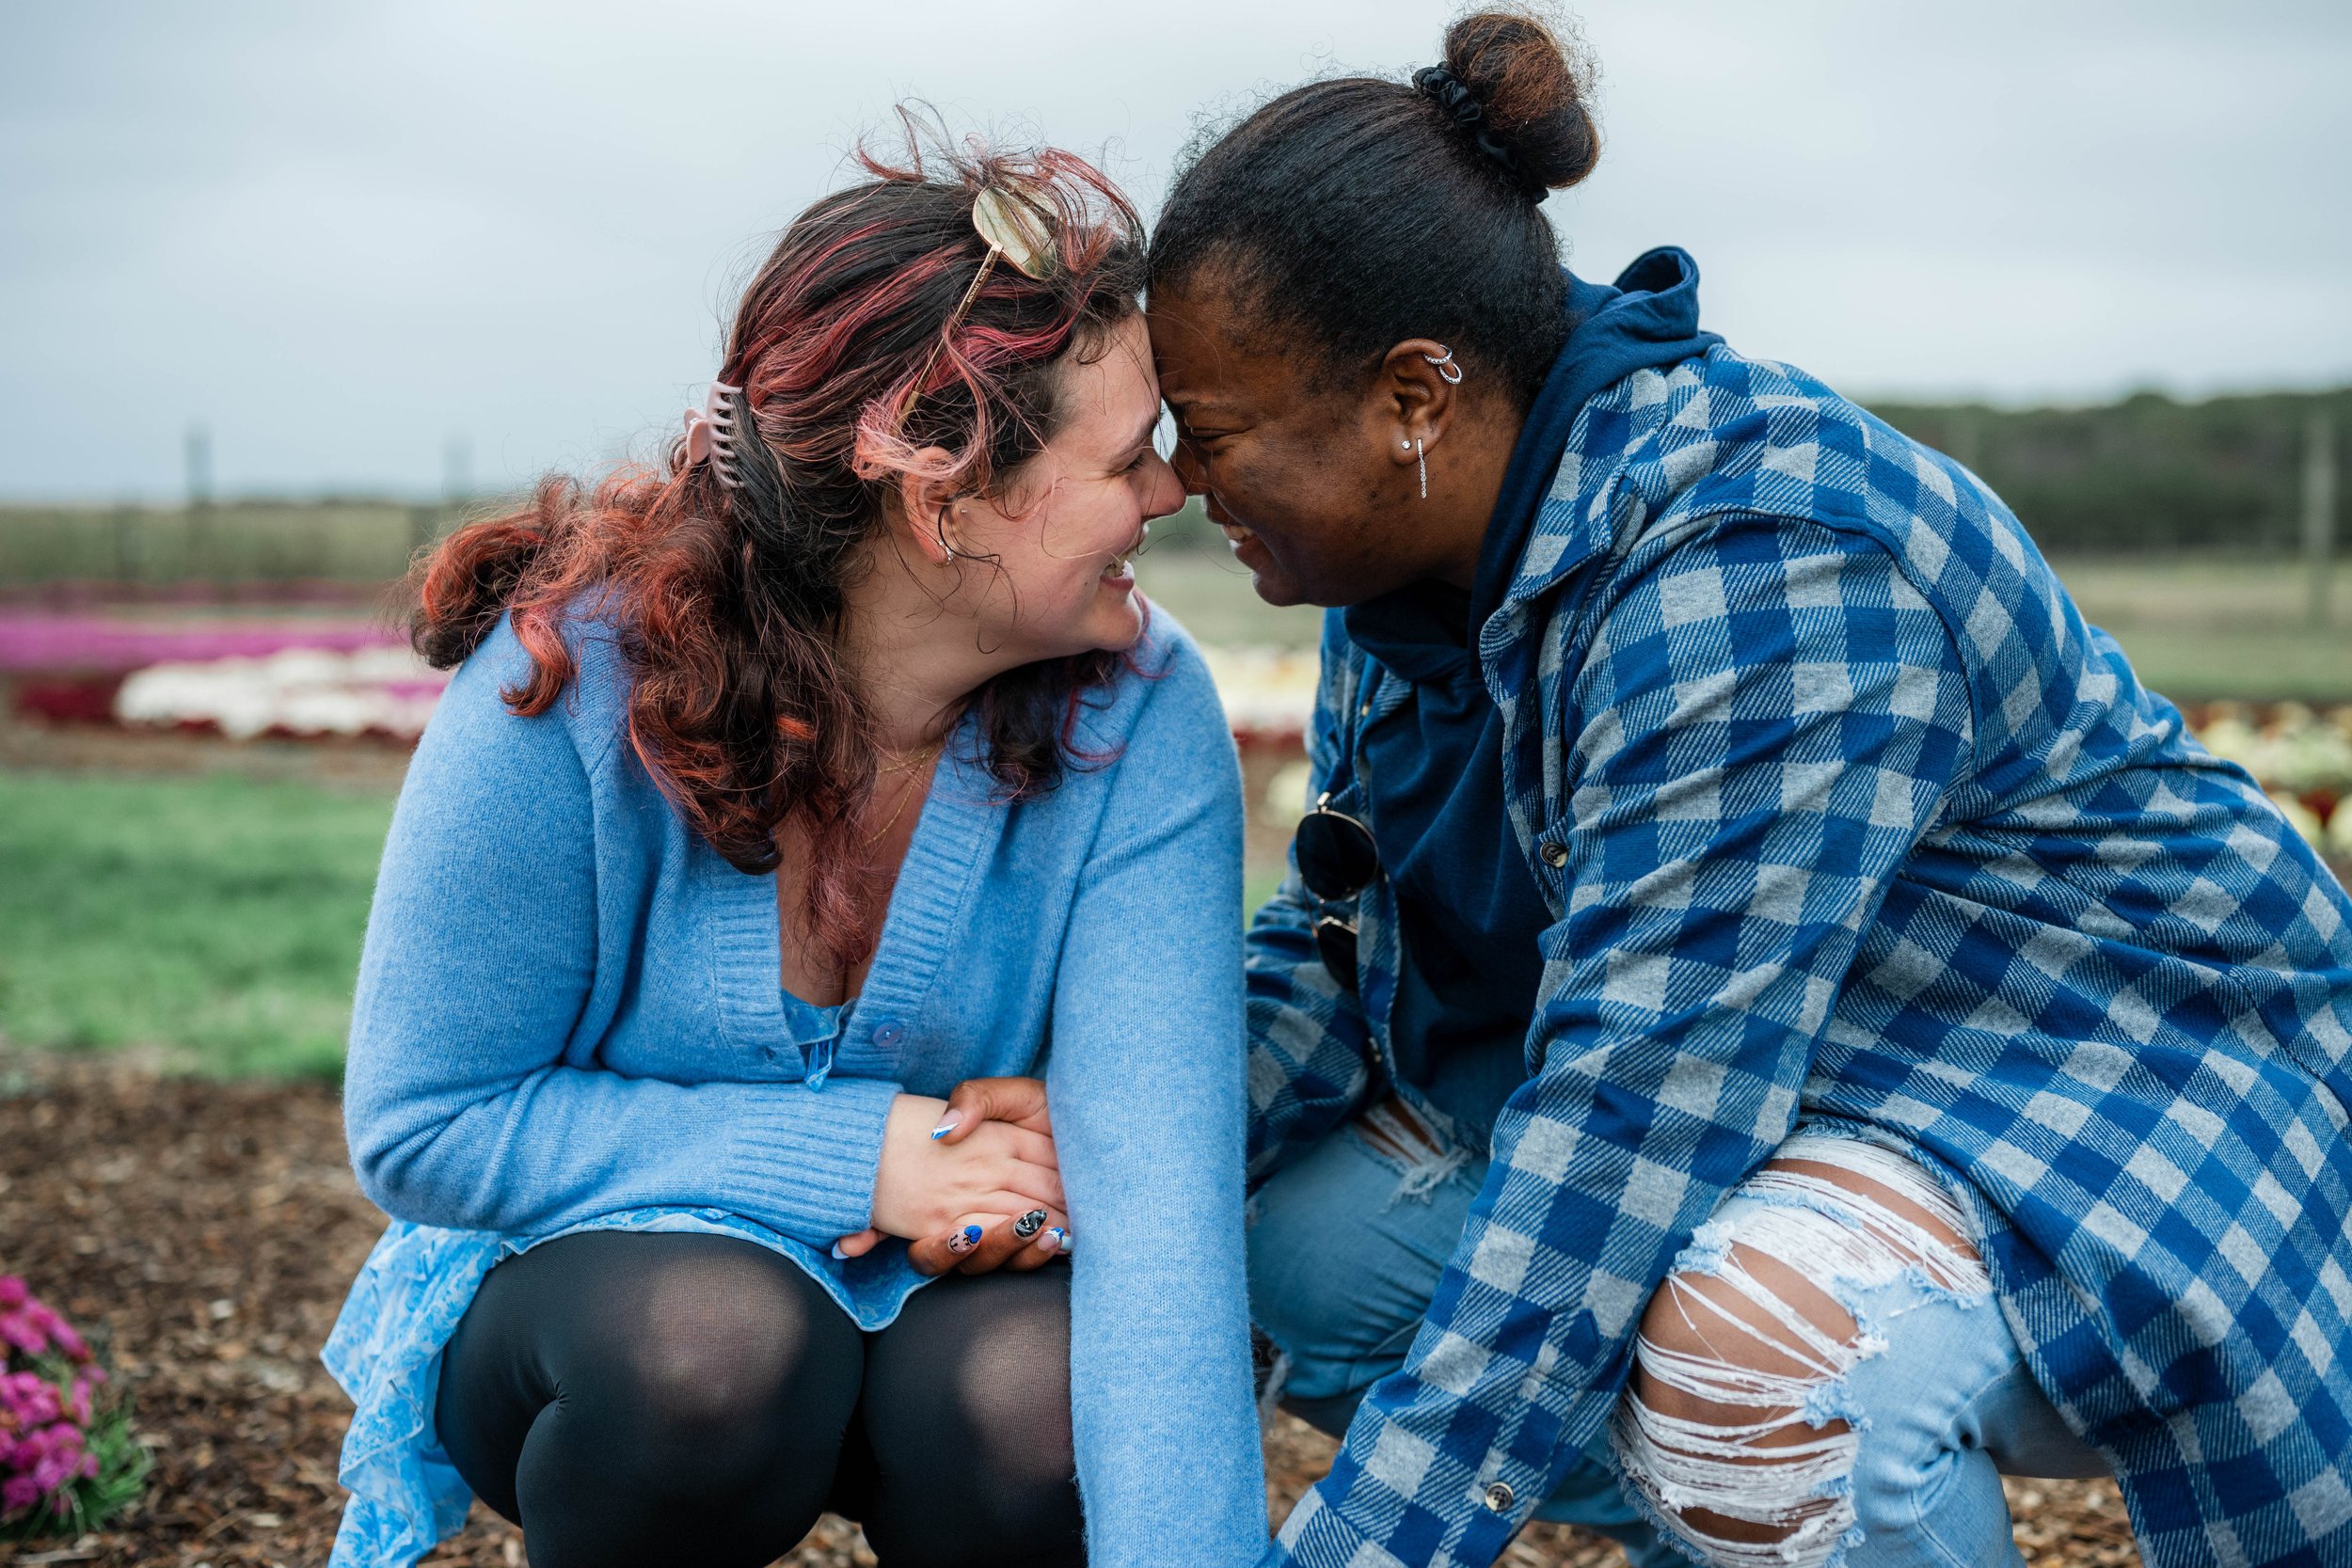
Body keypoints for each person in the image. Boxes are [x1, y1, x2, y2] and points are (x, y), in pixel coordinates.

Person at [1146, 11, 2352, 1568]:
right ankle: (1733, 1533)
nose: (1177, 478)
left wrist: (1360, 1548)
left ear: (1414, 398)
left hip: (2106, 1086)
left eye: (1218, 431)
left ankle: (1783, 1494)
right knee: (1288, 1239)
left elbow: (1625, 1125)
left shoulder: (1760, 572)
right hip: (1814, 1096)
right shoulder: (1422, 572)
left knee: (1751, 1363)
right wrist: (1089, 1151)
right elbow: (1332, 941)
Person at [321, 132, 1266, 1568]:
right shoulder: (564, 682)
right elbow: (426, 1123)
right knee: (710, 1357)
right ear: (940, 490)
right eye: (1129, 458)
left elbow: (1161, 1224)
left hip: (960, 1307)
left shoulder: (1139, 707)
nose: (1171, 495)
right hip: (609, 1295)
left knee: (1040, 1406)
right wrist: (859, 1157)